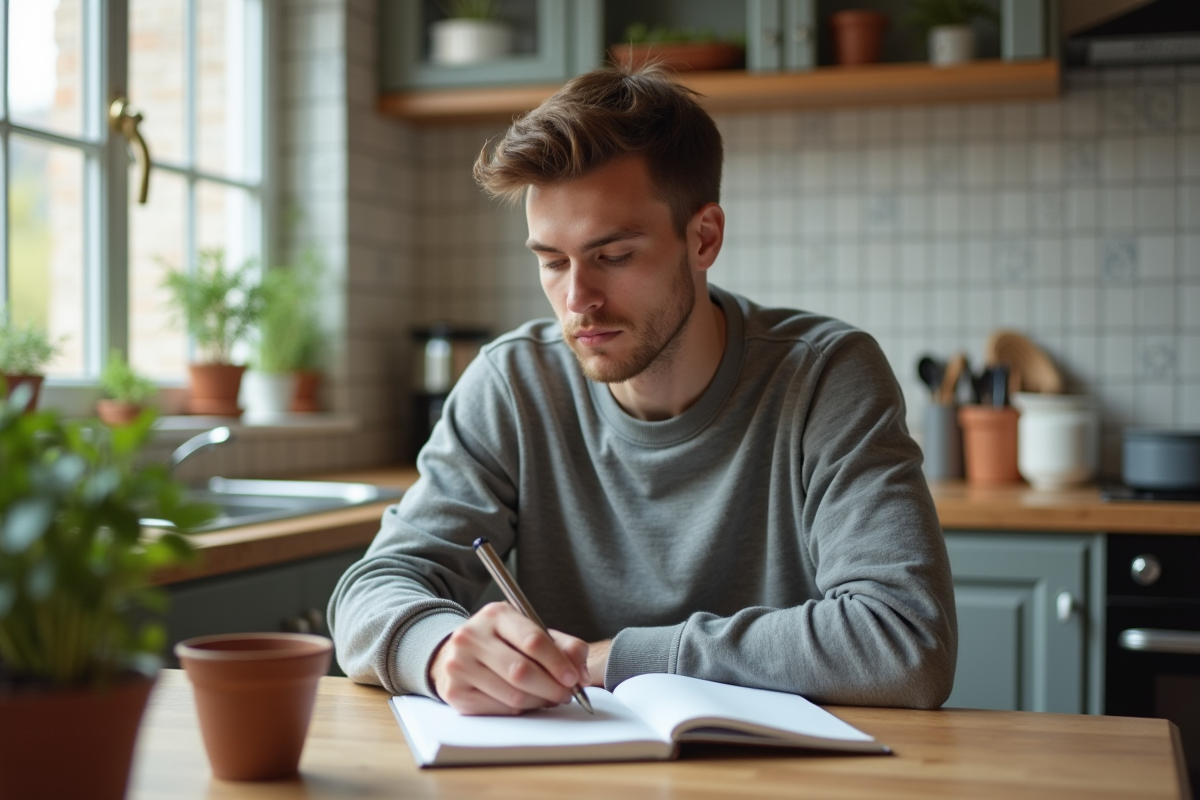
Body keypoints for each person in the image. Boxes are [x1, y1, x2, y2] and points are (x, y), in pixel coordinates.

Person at [328, 64, 957, 716]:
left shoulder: (826, 376)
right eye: (552, 261)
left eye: (614, 256)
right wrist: (437, 649)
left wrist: (613, 659)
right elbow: (372, 589)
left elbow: (906, 638)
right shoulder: (513, 383)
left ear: (703, 238)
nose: (578, 300)